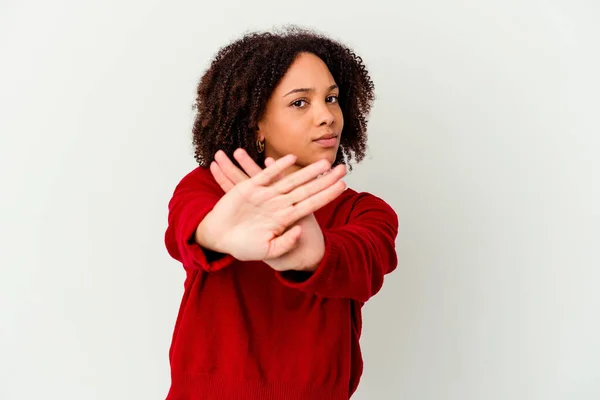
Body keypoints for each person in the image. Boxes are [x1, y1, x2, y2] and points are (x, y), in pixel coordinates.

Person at [164, 27, 399, 399]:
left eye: (332, 98)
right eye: (300, 102)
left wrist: (312, 255)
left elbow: (367, 260)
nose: (327, 116)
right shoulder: (210, 187)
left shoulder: (364, 211)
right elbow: (186, 225)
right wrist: (214, 235)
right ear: (257, 121)